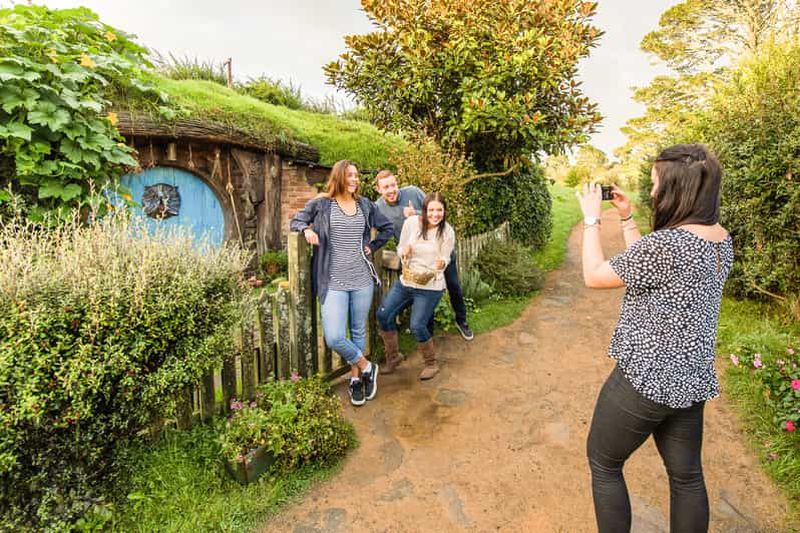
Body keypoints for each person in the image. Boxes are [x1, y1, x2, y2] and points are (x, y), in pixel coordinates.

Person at [577, 144, 733, 533]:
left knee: (604, 462)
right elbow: (649, 271)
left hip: (645, 381)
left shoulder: (668, 245)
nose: (651, 192)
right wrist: (627, 218)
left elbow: (594, 275)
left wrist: (592, 221)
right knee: (687, 478)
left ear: (676, 188)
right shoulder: (719, 239)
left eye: (655, 183)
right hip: (691, 379)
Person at [290, 160, 393, 407]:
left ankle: (356, 380)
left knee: (358, 331)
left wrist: (373, 246)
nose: (355, 180)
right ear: (339, 177)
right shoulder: (322, 203)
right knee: (334, 336)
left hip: (361, 278)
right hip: (333, 280)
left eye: (357, 176)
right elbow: (296, 220)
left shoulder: (365, 205)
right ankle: (368, 367)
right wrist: (306, 230)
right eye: (350, 176)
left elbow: (387, 228)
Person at [374, 170, 474, 341]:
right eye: (386, 187)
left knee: (453, 286)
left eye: (393, 185)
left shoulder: (413, 192)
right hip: (416, 260)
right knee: (422, 291)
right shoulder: (378, 208)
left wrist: (416, 215)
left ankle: (461, 320)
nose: (391, 190)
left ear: (397, 183)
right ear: (378, 189)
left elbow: (436, 211)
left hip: (440, 252)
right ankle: (428, 332)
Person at [377, 192, 455, 380]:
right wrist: (404, 251)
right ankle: (393, 357)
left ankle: (431, 363)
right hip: (407, 281)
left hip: (431, 285)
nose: (435, 214)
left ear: (444, 211)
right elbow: (401, 247)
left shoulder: (447, 232)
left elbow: (445, 257)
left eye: (439, 210)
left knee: (417, 325)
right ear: (425, 210)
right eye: (431, 210)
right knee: (383, 315)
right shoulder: (412, 223)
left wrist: (441, 263)